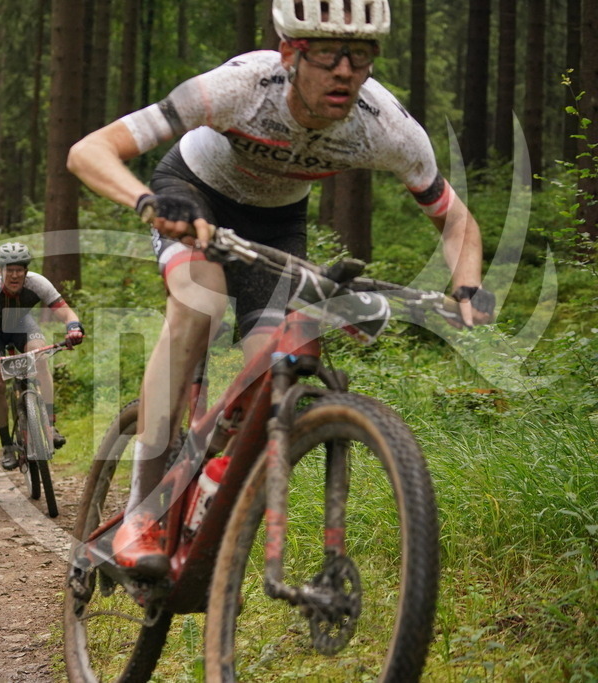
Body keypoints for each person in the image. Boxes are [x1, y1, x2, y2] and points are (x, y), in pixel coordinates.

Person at [66, 0, 494, 579]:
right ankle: (143, 514)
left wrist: (468, 287)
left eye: (361, 55)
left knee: (271, 371)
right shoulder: (239, 87)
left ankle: (214, 493)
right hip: (194, 195)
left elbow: (456, 220)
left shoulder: (384, 124)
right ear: (290, 53)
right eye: (325, 53)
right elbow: (88, 151)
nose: (344, 70)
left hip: (276, 225)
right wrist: (148, 201)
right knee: (201, 303)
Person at [0, 242, 85, 470]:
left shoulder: (37, 283)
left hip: (20, 324)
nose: (14, 275)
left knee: (40, 357)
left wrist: (73, 327)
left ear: (26, 271)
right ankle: (7, 445)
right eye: (9, 270)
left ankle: (49, 426)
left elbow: (64, 310)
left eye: (19, 270)